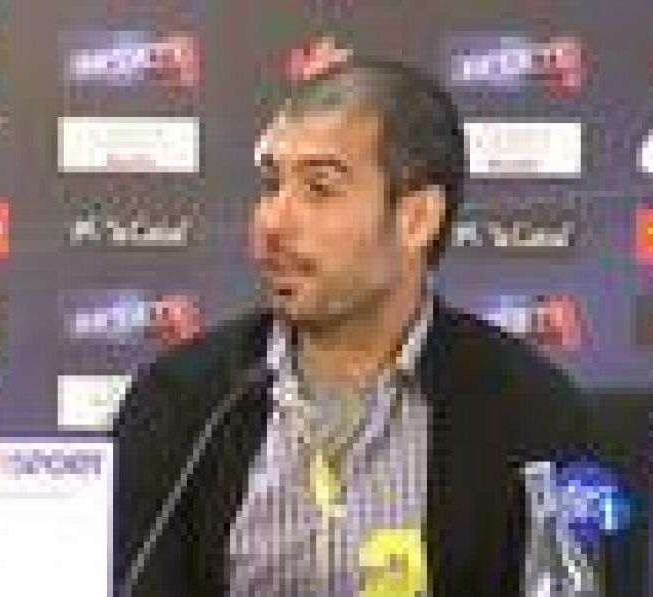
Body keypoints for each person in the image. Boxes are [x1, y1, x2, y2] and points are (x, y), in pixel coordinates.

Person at [113, 55, 600, 596]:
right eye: (271, 184)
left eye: (319, 188)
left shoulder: (535, 416)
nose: (272, 222)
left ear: (416, 219)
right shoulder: (183, 405)